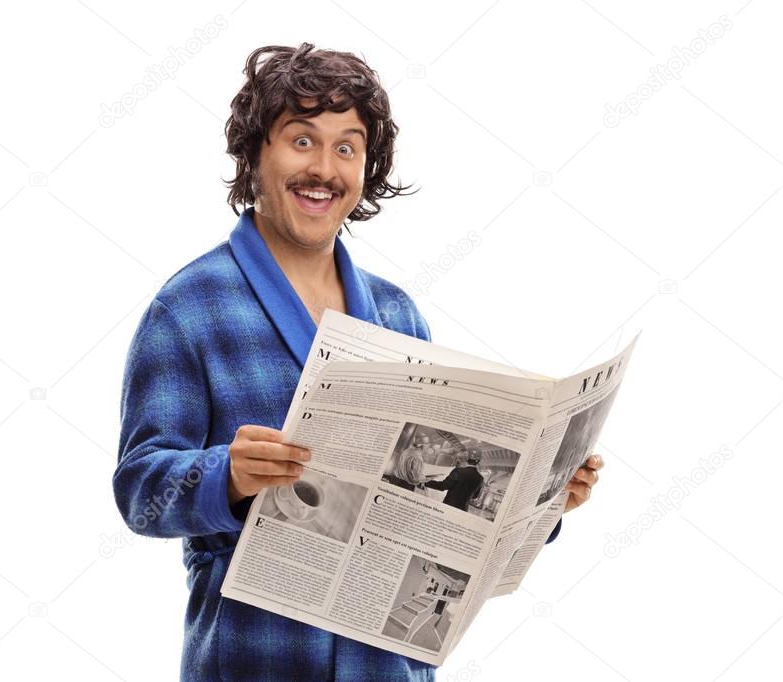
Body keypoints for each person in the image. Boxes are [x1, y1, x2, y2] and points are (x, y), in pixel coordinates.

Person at [113, 42, 600, 682]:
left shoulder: (398, 315)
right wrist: (225, 475)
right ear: (256, 153)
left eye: (347, 147)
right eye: (302, 140)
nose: (325, 168)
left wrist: (540, 497)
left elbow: (442, 511)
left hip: (389, 666)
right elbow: (140, 490)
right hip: (258, 660)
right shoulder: (189, 309)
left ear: (367, 168)